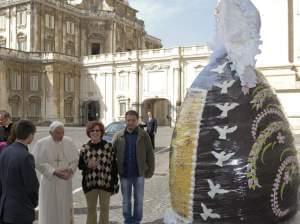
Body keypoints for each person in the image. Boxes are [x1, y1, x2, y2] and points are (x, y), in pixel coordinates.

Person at [112, 110, 155, 224]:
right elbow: (111, 155)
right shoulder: (118, 136)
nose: (130, 123)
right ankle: (127, 220)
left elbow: (150, 153)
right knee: (126, 200)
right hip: (124, 174)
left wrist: (150, 170)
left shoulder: (144, 135)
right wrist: (113, 173)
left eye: (133, 120)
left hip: (139, 174)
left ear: (137, 121)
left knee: (139, 200)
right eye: (128, 120)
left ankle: (137, 220)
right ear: (125, 121)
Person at [32, 121, 78, 224]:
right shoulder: (41, 143)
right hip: (50, 181)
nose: (61, 135)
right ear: (50, 132)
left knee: (64, 207)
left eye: (62, 132)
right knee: (49, 208)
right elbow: (37, 162)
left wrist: (70, 170)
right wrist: (54, 171)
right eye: (58, 133)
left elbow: (75, 159)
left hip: (65, 181)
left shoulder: (68, 142)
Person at [79, 121, 119, 224]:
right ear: (89, 132)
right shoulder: (84, 148)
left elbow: (114, 166)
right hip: (90, 183)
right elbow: (80, 165)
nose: (95, 132)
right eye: (92, 130)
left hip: (106, 183)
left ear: (101, 132)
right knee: (91, 211)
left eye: (97, 130)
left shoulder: (108, 147)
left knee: (104, 211)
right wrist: (88, 165)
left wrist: (115, 182)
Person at [0, 120, 39, 224]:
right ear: (30, 135)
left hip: (5, 208)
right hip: (20, 210)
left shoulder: (5, 151)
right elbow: (32, 186)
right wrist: (33, 203)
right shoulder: (26, 156)